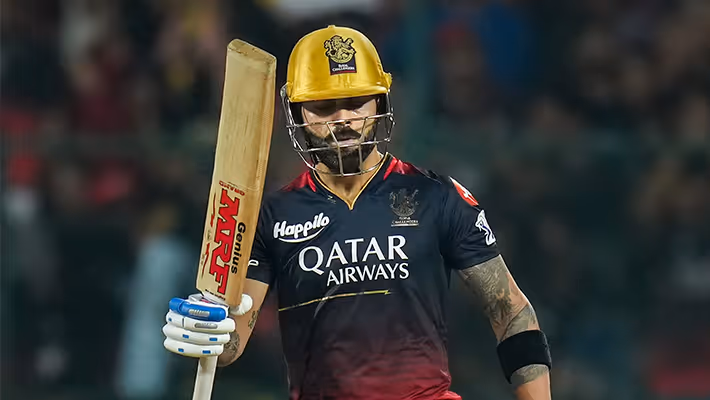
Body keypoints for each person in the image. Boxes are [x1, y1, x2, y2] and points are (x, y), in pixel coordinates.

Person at [162, 25, 552, 400]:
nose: (343, 120)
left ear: (380, 102)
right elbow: (232, 342)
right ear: (298, 114)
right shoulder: (273, 216)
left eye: (355, 103)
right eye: (323, 107)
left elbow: (512, 312)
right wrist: (208, 333)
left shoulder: (436, 197)